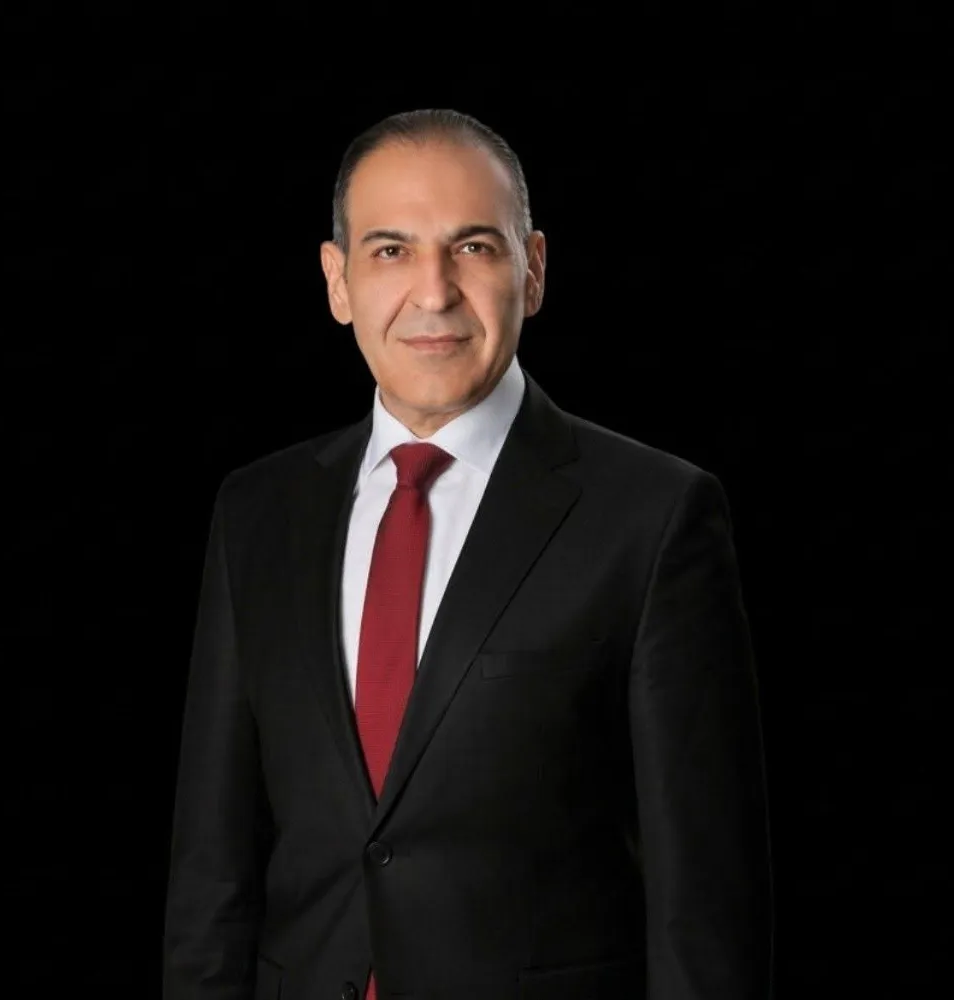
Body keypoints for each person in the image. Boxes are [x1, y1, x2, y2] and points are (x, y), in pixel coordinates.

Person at [162, 108, 774, 1000]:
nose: (434, 291)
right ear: (337, 282)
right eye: (390, 250)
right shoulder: (257, 511)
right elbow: (210, 870)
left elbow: (705, 905)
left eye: (474, 247)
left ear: (533, 269)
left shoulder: (654, 515)